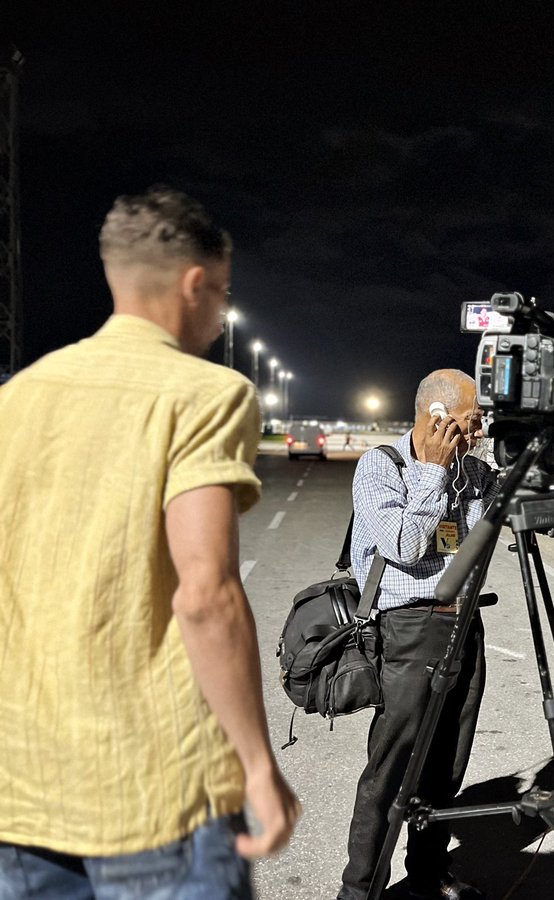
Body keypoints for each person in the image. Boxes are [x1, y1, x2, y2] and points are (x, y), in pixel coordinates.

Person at [0, 187, 300, 898]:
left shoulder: (19, 397)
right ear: (196, 283)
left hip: (23, 782)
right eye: (222, 291)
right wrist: (257, 763)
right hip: (155, 788)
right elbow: (205, 594)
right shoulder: (204, 393)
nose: (220, 309)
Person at [339, 370, 498, 900]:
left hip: (465, 626)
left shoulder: (475, 470)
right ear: (437, 416)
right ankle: (361, 890)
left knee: (446, 767)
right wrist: (432, 470)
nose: (477, 431)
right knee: (391, 771)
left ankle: (427, 872)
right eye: (471, 420)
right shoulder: (381, 467)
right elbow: (404, 546)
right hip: (410, 630)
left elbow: (528, 506)